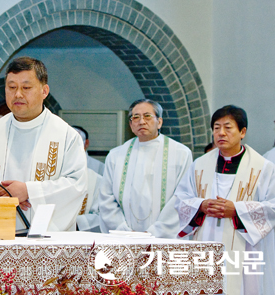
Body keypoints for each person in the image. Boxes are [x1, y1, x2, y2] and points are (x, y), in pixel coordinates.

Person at [0, 56, 87, 231]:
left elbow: (76, 185)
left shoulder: (66, 136)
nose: (18, 94)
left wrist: (29, 191)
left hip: (45, 242)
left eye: (26, 87)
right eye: (12, 87)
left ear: (44, 91)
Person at [175, 105, 275, 294]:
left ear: (242, 132)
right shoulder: (200, 165)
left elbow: (273, 207)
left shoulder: (264, 167)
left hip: (245, 246)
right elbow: (180, 199)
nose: (221, 133)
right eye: (216, 128)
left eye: (228, 128)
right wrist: (201, 205)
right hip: (205, 241)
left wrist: (237, 210)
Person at [98, 99, 193, 238]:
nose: (141, 122)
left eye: (147, 116)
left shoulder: (181, 153)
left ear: (159, 122)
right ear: (130, 125)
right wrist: (124, 231)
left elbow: (183, 197)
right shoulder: (116, 155)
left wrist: (154, 233)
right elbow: (106, 197)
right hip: (124, 237)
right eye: (136, 117)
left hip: (164, 237)